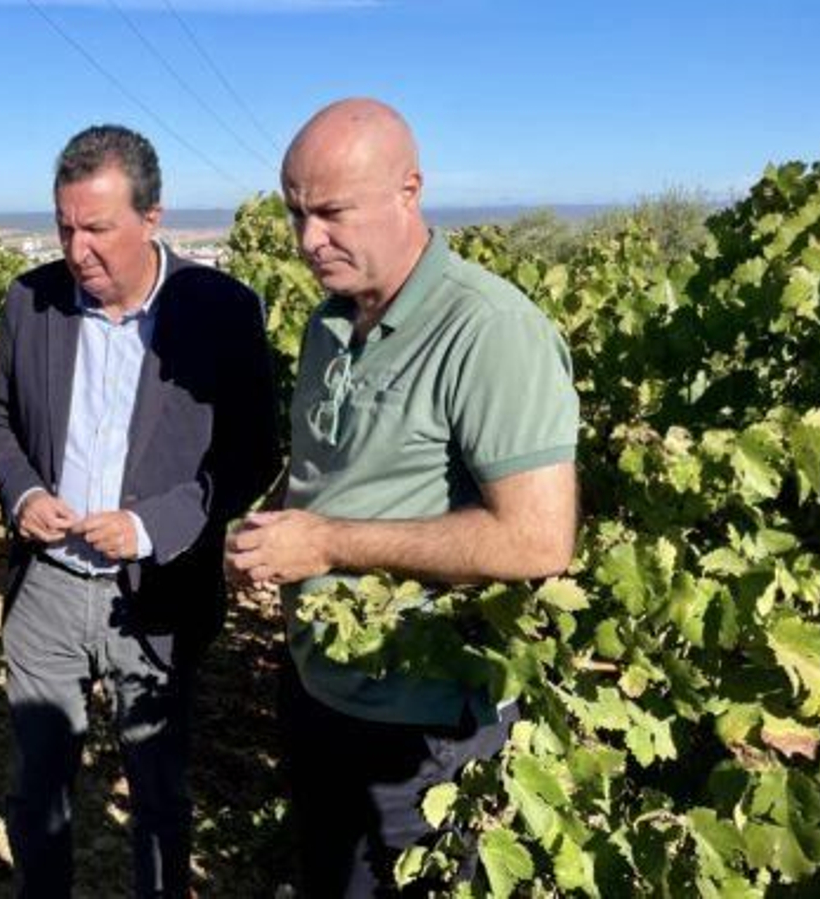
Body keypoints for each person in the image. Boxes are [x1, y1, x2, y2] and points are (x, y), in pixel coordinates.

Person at [224, 98, 580, 896]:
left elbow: (537, 540)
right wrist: (269, 529)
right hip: (317, 690)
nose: (307, 239)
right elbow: (326, 468)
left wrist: (324, 543)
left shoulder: (488, 331)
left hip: (424, 734)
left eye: (332, 212)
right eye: (296, 213)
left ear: (409, 192)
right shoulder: (328, 323)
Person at [0, 124, 279, 897]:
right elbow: (1, 422)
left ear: (152, 218)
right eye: (64, 227)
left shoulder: (221, 310)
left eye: (97, 228)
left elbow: (251, 454)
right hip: (47, 589)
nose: (77, 250)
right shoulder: (31, 300)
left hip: (156, 595)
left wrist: (150, 526)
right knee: (37, 786)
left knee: (159, 793)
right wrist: (24, 494)